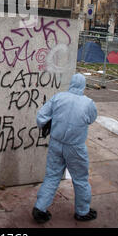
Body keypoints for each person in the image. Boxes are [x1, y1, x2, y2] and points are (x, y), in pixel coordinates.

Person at [33, 73, 97, 224]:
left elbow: (41, 115)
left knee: (52, 175)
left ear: (71, 83)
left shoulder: (59, 97)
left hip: (56, 143)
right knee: (80, 178)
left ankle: (39, 208)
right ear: (83, 85)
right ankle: (82, 211)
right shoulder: (88, 103)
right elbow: (92, 118)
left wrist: (46, 125)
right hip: (75, 147)